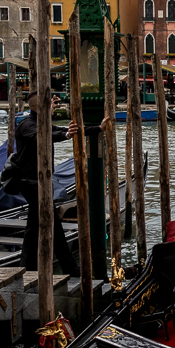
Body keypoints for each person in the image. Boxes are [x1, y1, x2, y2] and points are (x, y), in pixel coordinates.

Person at [12, 92, 112, 275]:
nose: (54, 106)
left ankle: (28, 267)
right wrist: (66, 134)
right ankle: (67, 268)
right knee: (50, 224)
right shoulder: (26, 125)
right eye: (51, 104)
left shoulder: (42, 124)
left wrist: (98, 128)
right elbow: (43, 137)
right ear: (41, 106)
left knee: (35, 226)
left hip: (41, 183)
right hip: (31, 183)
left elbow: (62, 131)